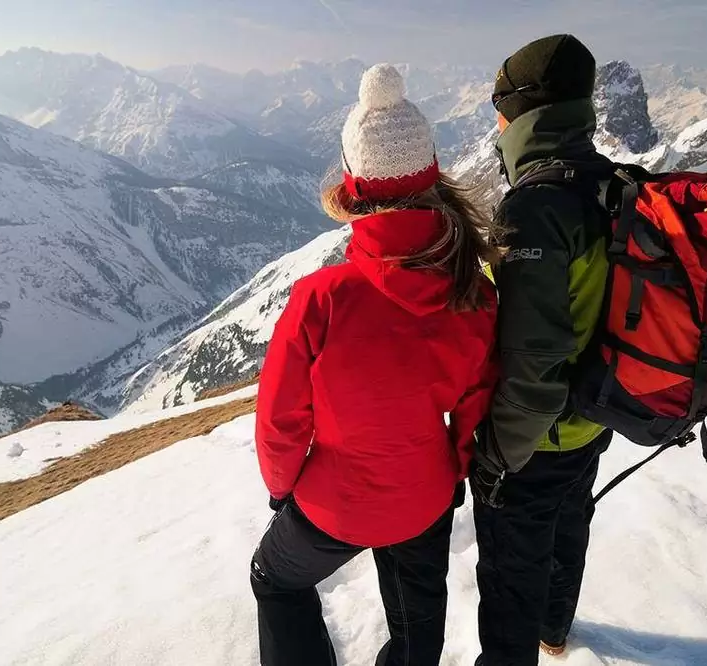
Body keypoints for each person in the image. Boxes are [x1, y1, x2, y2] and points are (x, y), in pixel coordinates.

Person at [250, 63, 501, 666]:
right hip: (425, 494)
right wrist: (453, 471)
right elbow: (474, 406)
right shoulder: (474, 293)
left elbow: (282, 420)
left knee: (275, 579)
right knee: (417, 623)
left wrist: (282, 490)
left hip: (335, 501)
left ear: (354, 185)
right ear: (433, 175)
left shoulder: (322, 298)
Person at [469, 35, 616, 665]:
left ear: (522, 112)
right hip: (593, 415)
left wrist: (497, 456)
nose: (496, 125)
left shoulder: (535, 209)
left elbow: (534, 354)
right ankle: (555, 632)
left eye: (499, 110)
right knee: (567, 531)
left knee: (511, 578)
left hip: (536, 438)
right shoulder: (611, 182)